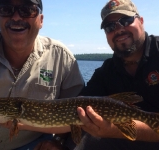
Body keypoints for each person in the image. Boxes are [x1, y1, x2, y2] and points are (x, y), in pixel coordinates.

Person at [0, 0, 84, 150]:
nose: (17, 17)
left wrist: (58, 140)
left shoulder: (63, 59)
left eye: (27, 10)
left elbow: (79, 116)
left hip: (32, 144)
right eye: (6, 9)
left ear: (41, 20)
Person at [67, 0, 159, 149]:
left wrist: (116, 130)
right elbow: (73, 111)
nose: (118, 29)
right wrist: (58, 141)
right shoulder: (105, 72)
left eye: (126, 20)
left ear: (141, 21)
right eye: (110, 26)